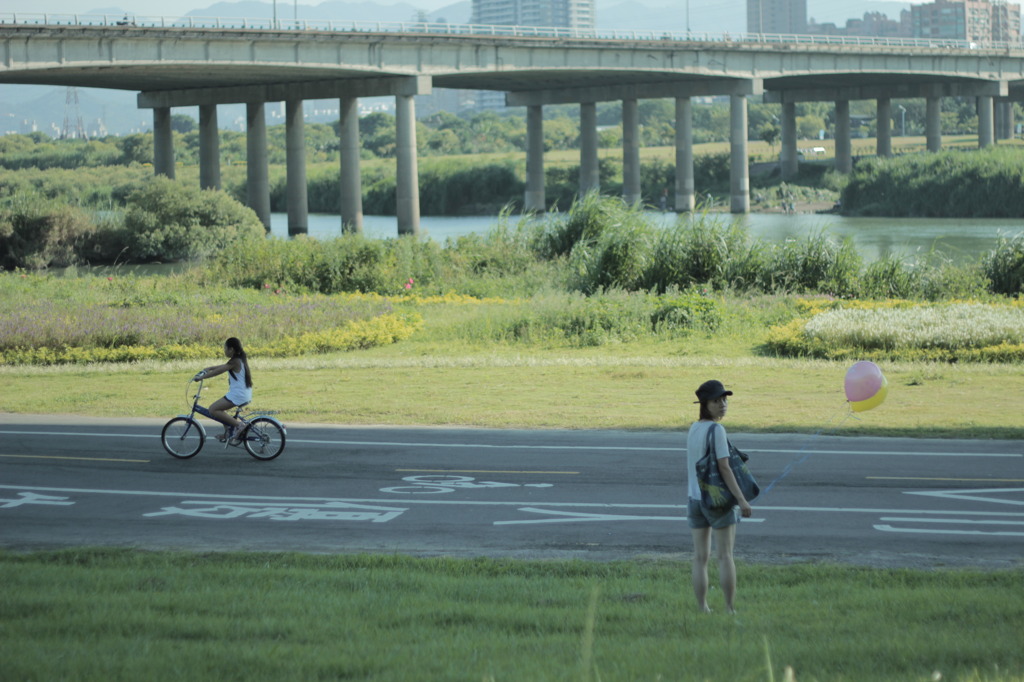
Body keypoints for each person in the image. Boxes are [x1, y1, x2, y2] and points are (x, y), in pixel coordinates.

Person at [686, 379, 753, 614]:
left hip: (694, 500)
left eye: (724, 400)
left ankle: (702, 607)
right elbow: (724, 468)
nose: (723, 404)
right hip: (717, 501)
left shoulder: (694, 428)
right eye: (716, 401)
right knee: (725, 556)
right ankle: (729, 608)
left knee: (700, 558)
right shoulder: (717, 430)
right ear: (705, 404)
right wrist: (741, 499)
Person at [193, 337, 253, 444]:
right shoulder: (238, 359)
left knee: (213, 409)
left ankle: (240, 425)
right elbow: (224, 366)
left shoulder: (235, 361)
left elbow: (220, 371)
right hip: (243, 393)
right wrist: (210, 368)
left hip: (238, 394)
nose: (224, 350)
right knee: (220, 410)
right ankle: (228, 433)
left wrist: (201, 377)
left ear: (231, 349)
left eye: (225, 348)